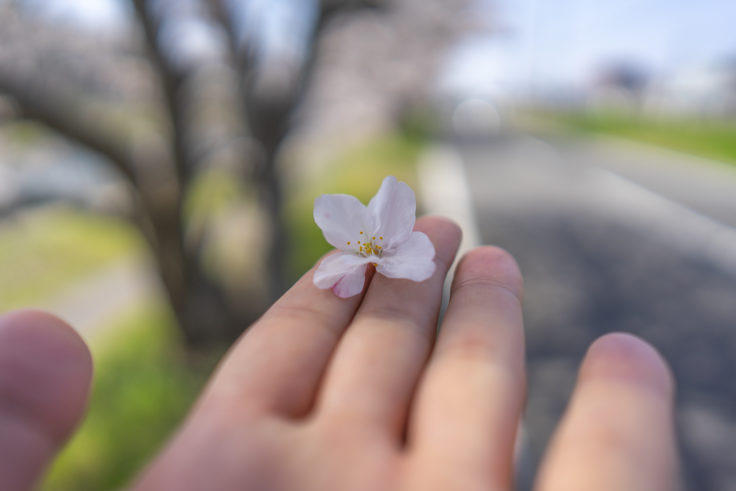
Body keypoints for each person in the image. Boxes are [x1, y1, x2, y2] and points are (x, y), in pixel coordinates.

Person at [0, 217, 677, 490]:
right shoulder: (356, 258)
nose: (372, 247)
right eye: (366, 244)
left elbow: (402, 256)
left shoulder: (393, 250)